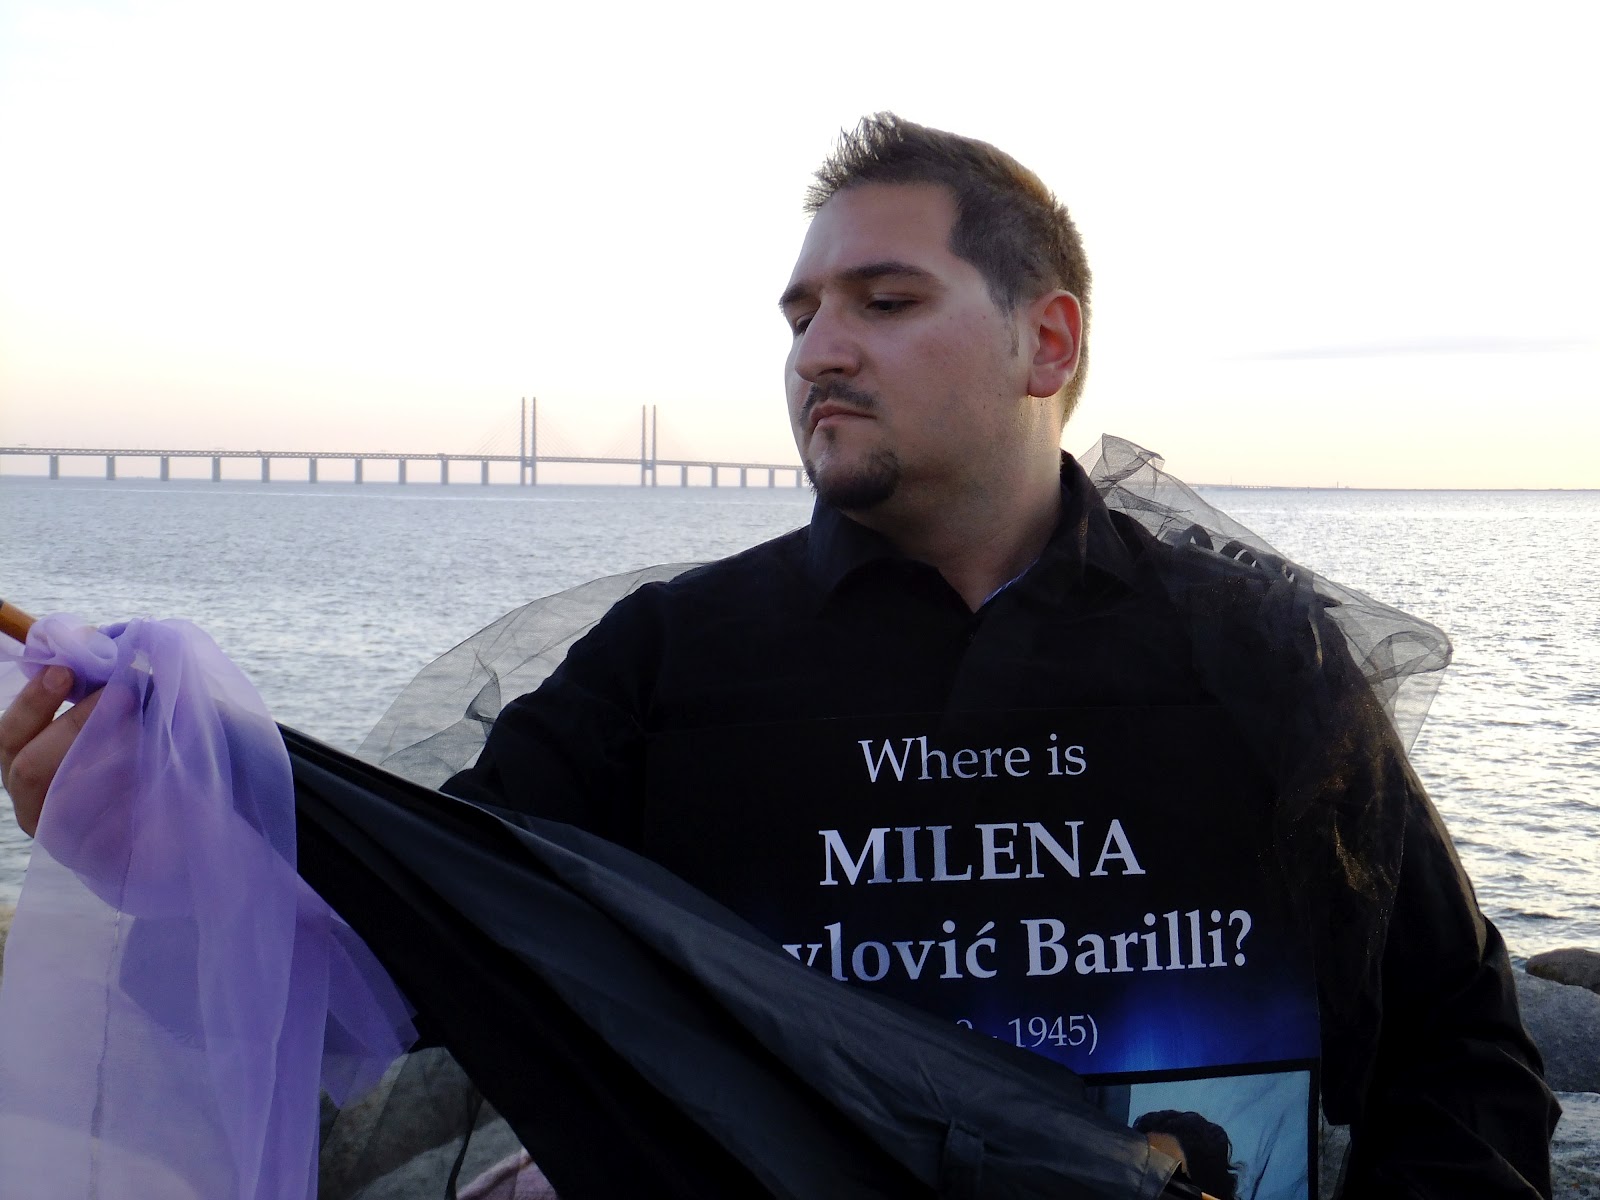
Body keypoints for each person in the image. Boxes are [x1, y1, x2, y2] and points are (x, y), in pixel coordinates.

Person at [2, 114, 1559, 1196]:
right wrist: (167, 864)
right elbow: (418, 951)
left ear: (1050, 342)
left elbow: (1458, 1043)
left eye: (886, 300)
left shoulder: (1260, 656)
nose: (820, 349)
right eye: (801, 313)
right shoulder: (668, 667)